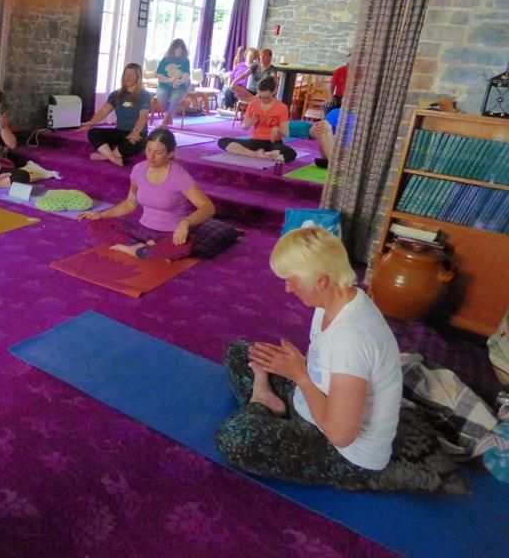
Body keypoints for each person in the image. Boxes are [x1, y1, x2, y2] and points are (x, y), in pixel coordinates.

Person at [215, 226, 402, 487]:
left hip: (347, 454)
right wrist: (298, 367)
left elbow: (341, 435)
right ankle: (267, 399)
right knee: (238, 352)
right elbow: (327, 367)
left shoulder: (352, 337)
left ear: (321, 280)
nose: (288, 288)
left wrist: (300, 375)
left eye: (292, 279)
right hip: (315, 403)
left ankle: (261, 401)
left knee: (232, 438)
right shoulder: (337, 298)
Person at [78, 128, 216, 261]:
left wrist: (185, 223)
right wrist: (101, 214)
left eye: (158, 152)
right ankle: (144, 249)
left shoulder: (180, 176)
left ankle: (138, 249)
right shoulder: (138, 169)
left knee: (182, 247)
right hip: (142, 230)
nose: (151, 156)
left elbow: (208, 207)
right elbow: (130, 203)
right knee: (96, 226)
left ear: (170, 154)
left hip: (171, 233)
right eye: (148, 150)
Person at [78, 62, 151, 167]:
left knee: (134, 144)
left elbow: (143, 116)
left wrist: (136, 132)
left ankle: (105, 156)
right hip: (120, 132)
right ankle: (113, 157)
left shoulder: (144, 95)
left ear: (138, 77)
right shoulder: (116, 94)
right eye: (125, 74)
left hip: (138, 134)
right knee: (93, 133)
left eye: (131, 75)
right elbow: (103, 111)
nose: (127, 77)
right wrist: (90, 123)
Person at [217, 77, 297, 163]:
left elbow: (286, 133)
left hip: (274, 144)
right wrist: (249, 123)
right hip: (255, 142)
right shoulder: (253, 104)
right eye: (260, 96)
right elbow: (244, 126)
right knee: (222, 141)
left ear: (274, 92)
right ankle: (257, 154)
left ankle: (267, 154)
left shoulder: (281, 107)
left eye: (266, 97)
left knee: (291, 153)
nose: (262, 100)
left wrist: (277, 129)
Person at [153, 38, 192, 128]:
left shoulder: (186, 60)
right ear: (172, 49)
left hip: (179, 87)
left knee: (175, 98)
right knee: (161, 96)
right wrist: (168, 79)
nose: (178, 51)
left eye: (180, 49)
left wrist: (180, 81)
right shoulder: (165, 59)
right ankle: (170, 115)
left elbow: (186, 75)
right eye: (177, 48)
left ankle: (164, 120)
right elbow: (158, 75)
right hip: (164, 85)